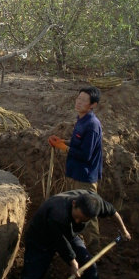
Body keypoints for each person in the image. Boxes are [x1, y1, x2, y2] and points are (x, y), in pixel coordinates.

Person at [49, 85, 103, 254]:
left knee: (88, 212)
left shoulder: (92, 125)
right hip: (75, 172)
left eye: (83, 100)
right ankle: (73, 240)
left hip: (85, 176)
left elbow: (86, 155)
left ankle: (94, 248)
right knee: (73, 207)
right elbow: (79, 144)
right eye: (78, 98)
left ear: (92, 105)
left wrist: (63, 148)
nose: (79, 102)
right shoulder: (81, 119)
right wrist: (63, 142)